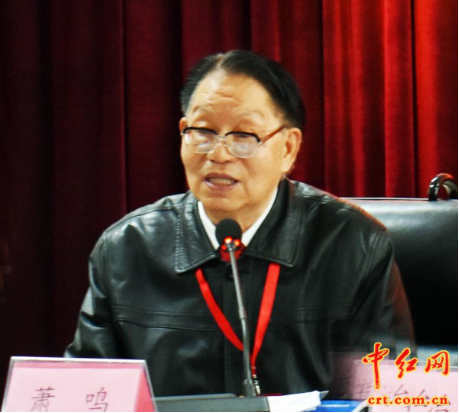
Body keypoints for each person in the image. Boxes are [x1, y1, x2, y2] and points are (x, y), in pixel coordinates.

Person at [65, 50, 413, 397]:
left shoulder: (352, 245)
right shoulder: (125, 250)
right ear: (183, 133)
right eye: (203, 132)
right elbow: (87, 396)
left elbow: (388, 393)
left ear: (288, 149)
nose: (218, 154)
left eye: (244, 136)